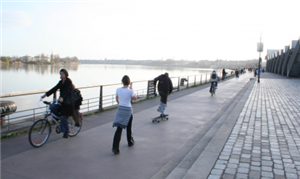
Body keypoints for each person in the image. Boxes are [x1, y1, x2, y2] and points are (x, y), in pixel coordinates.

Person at [41, 69, 76, 139]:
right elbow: (55, 88)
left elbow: (67, 90)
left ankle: (66, 131)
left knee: (63, 117)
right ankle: (56, 119)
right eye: (60, 74)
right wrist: (45, 95)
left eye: (62, 73)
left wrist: (62, 97)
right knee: (53, 106)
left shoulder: (68, 82)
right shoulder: (61, 82)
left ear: (66, 74)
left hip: (68, 102)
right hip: (62, 101)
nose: (61, 75)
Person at [112, 75, 137, 154]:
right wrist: (132, 88)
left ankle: (115, 147)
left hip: (120, 109)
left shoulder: (118, 89)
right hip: (128, 110)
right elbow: (135, 98)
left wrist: (120, 104)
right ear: (129, 83)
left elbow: (117, 98)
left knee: (119, 128)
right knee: (129, 127)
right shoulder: (130, 91)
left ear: (122, 82)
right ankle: (130, 142)